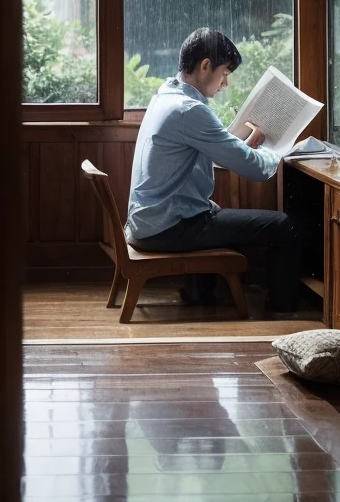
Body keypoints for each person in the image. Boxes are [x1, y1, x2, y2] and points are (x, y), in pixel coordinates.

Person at [126, 27, 302, 316]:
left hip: (150, 220)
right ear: (205, 65)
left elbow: (216, 154)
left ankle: (199, 292)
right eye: (225, 73)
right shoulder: (189, 110)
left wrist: (246, 146)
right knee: (285, 227)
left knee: (212, 209)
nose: (226, 83)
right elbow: (256, 171)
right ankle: (281, 312)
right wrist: (280, 151)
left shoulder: (166, 96)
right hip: (168, 228)